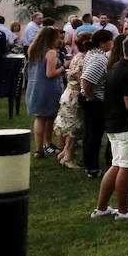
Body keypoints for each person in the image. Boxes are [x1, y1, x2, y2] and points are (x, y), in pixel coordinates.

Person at [91, 34, 128, 221]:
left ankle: (102, 207)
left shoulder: (115, 67)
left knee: (116, 165)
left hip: (112, 123)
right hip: (125, 124)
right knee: (127, 167)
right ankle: (124, 210)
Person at [25, 27, 65, 158]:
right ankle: (46, 144)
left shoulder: (34, 51)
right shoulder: (51, 53)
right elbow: (50, 73)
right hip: (48, 89)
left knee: (40, 118)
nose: (59, 39)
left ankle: (40, 148)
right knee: (48, 117)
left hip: (34, 87)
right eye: (58, 37)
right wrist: (64, 67)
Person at [79, 29, 114, 178]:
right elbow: (86, 79)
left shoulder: (91, 53)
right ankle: (92, 168)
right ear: (103, 43)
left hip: (89, 98)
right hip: (94, 100)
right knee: (95, 134)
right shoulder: (100, 58)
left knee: (90, 133)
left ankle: (89, 163)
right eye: (110, 41)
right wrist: (90, 97)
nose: (112, 44)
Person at [53, 32, 90, 168]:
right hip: (74, 95)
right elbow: (82, 79)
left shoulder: (78, 56)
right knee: (74, 127)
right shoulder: (83, 58)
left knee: (71, 125)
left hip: (69, 93)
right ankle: (68, 155)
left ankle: (64, 152)